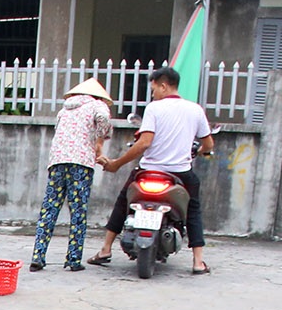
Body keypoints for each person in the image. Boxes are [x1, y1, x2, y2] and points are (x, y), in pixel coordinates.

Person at [89, 66, 215, 275]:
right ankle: (198, 261)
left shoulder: (154, 109)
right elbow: (208, 144)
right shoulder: (195, 110)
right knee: (193, 210)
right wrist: (202, 151)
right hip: (180, 173)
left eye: (154, 89)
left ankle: (105, 249)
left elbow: (144, 143)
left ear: (164, 86)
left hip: (148, 171)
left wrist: (116, 163)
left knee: (123, 202)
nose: (153, 93)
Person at [31, 79, 113, 273]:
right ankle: (73, 259)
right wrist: (99, 140)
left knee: (49, 209)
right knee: (78, 211)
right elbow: (103, 118)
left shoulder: (64, 110)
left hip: (57, 161)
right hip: (81, 164)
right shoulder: (97, 105)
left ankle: (38, 256)